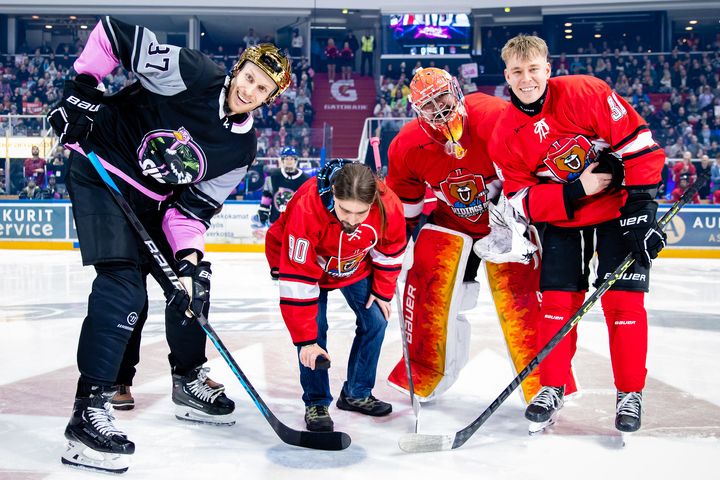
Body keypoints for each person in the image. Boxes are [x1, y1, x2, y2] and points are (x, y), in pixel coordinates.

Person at [47, 17, 291, 473]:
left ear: (270, 99)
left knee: (193, 285)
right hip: (101, 170)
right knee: (123, 287)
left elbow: (192, 210)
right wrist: (78, 88)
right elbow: (114, 35)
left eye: (263, 90)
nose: (251, 91)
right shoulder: (193, 72)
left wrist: (188, 257)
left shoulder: (241, 150)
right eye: (250, 78)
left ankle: (187, 379)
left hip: (153, 203)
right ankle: (88, 412)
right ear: (238, 69)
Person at [489, 34, 666, 435]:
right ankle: (552, 387)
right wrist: (575, 190)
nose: (526, 79)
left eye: (533, 69)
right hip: (564, 222)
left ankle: (629, 394)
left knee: (623, 304)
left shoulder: (585, 91)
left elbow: (639, 142)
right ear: (507, 76)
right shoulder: (504, 132)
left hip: (618, 209)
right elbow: (519, 201)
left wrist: (641, 208)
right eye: (517, 72)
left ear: (547, 69)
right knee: (555, 304)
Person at [265, 159, 406, 432]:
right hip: (309, 269)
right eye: (344, 210)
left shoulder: (388, 203)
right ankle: (316, 402)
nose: (352, 220)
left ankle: (356, 392)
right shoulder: (308, 206)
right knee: (314, 332)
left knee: (376, 320)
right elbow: (298, 276)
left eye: (361, 213)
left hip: (352, 265)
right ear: (333, 194)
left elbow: (391, 249)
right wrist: (305, 341)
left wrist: (383, 291)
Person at [256, 146, 309, 226]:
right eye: (286, 159)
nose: (289, 161)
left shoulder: (305, 179)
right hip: (276, 222)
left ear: (296, 161)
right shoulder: (273, 176)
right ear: (282, 160)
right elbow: (267, 196)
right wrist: (263, 212)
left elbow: (307, 202)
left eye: (291, 159)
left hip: (296, 223)